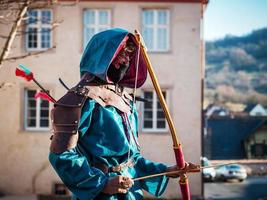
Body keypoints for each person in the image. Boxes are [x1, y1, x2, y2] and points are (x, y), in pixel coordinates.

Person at [49, 28, 180, 200]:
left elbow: (131, 160)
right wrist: (102, 184)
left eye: (130, 54)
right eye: (121, 52)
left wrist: (166, 171)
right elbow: (61, 155)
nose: (126, 59)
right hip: (100, 195)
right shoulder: (80, 99)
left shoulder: (126, 101)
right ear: (103, 53)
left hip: (131, 193)